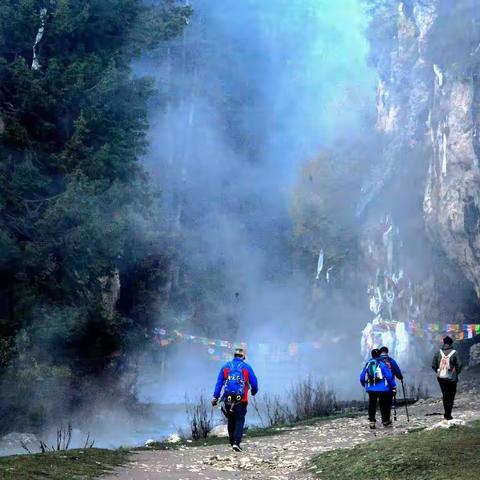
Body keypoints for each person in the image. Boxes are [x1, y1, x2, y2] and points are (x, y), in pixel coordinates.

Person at [212, 347, 258, 451]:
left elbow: (219, 383)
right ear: (243, 356)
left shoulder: (225, 367)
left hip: (228, 399)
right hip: (242, 399)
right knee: (239, 420)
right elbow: (254, 381)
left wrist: (215, 396)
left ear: (234, 356)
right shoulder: (246, 367)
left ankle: (232, 442)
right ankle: (237, 442)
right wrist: (254, 391)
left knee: (231, 420)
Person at [360, 348, 397, 429]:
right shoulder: (382, 364)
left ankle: (372, 421)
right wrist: (393, 386)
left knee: (372, 405)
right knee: (383, 405)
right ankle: (385, 421)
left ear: (372, 355)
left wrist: (365, 385)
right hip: (383, 389)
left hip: (371, 389)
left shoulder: (368, 364)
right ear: (379, 354)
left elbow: (362, 376)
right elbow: (389, 376)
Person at [432, 336, 462, 420]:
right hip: (452, 378)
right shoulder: (455, 353)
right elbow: (459, 365)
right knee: (451, 395)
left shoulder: (438, 352)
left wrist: (439, 371)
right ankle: (448, 414)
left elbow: (433, 365)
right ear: (451, 343)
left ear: (444, 343)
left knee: (445, 395)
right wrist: (456, 373)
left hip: (441, 378)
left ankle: (446, 414)